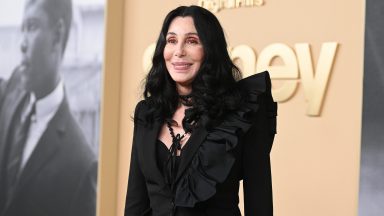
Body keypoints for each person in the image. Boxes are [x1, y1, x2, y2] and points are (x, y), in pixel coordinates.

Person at [125, 5, 277, 216]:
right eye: (171, 40)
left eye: (192, 41)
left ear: (210, 49)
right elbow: (135, 203)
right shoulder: (147, 112)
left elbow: (259, 202)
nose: (178, 51)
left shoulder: (241, 112)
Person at [0, 0, 97, 215]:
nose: (22, 44)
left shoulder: (81, 164)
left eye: (32, 26)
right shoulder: (12, 88)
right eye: (22, 28)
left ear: (57, 36)